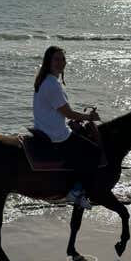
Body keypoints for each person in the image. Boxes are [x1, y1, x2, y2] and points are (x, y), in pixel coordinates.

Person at [33, 45, 101, 209]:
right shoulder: (52, 85)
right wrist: (89, 117)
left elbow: (60, 112)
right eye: (56, 59)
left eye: (63, 59)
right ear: (48, 62)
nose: (61, 62)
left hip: (44, 128)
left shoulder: (46, 81)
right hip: (55, 134)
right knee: (93, 152)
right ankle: (76, 191)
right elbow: (68, 113)